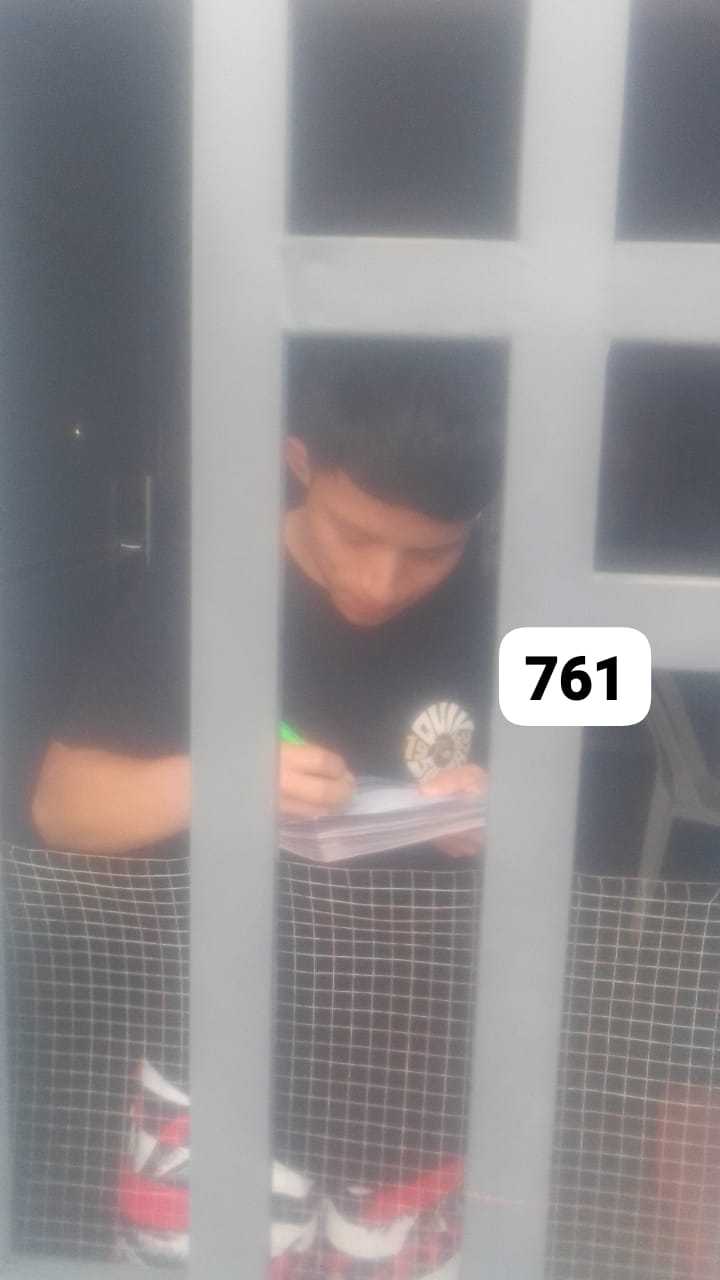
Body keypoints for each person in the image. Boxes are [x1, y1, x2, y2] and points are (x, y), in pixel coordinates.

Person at [31, 340, 498, 1277]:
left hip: (433, 1083)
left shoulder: (524, 612)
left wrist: (507, 813)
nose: (381, 581)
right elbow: (61, 807)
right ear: (300, 465)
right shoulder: (202, 595)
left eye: (429, 553)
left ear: (480, 522)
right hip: (212, 1071)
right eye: (354, 535)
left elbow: (605, 781)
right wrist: (222, 779)